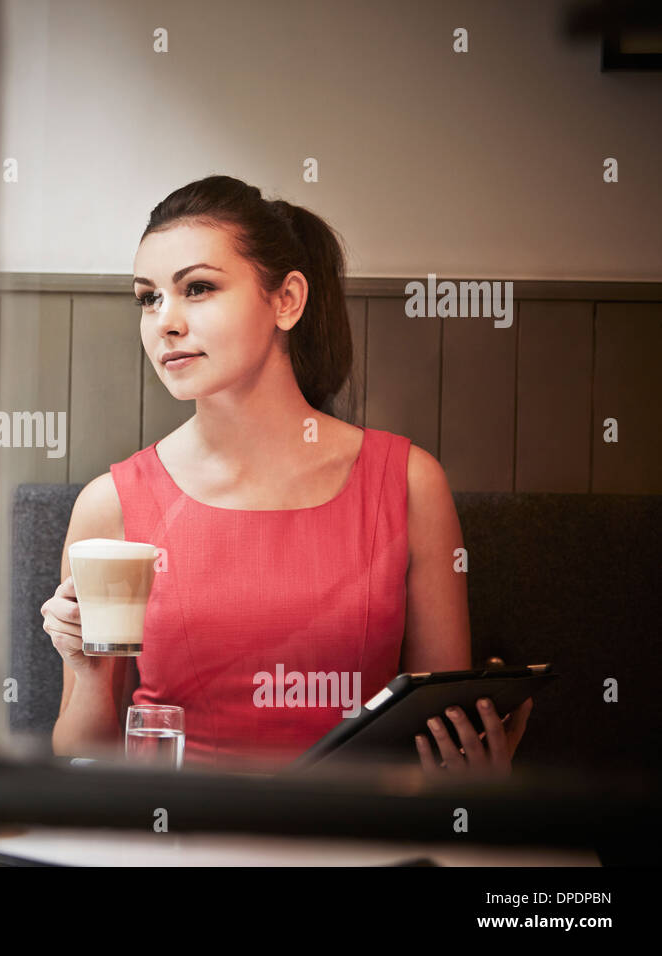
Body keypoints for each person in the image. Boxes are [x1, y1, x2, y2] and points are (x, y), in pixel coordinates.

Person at [41, 175, 532, 776]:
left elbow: (435, 730)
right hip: (179, 837)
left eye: (197, 288)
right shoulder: (111, 504)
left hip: (352, 837)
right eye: (148, 298)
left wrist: (472, 768)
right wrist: (90, 675)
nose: (164, 322)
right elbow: (84, 759)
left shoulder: (408, 483)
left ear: (287, 300)